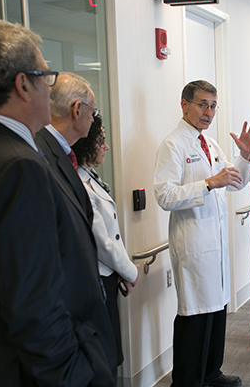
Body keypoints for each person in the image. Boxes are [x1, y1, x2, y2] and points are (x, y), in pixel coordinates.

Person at [0, 20, 116, 386]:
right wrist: (76, 376)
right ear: (23, 84)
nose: (49, 89)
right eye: (47, 76)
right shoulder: (19, 166)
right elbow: (34, 303)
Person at [154, 80, 250, 387]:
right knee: (195, 319)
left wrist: (246, 155)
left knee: (216, 314)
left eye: (213, 106)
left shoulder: (210, 145)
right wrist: (209, 183)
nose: (208, 112)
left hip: (215, 245)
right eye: (202, 104)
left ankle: (211, 374)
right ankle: (187, 381)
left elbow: (236, 181)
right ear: (184, 104)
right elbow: (164, 195)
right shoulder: (172, 145)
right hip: (193, 247)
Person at [72, 113, 139, 366]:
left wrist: (121, 271)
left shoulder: (90, 176)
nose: (106, 147)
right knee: (106, 355)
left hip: (110, 274)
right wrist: (130, 270)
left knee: (112, 351)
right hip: (99, 277)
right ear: (86, 143)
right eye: (101, 141)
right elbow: (101, 240)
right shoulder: (79, 181)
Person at [35, 71, 97, 225]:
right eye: (92, 110)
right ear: (76, 110)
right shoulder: (40, 155)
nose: (92, 119)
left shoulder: (58, 150)